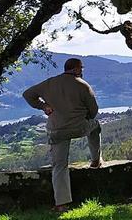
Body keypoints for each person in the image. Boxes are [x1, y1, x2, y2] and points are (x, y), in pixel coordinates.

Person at [23, 58, 103, 213]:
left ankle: (61, 204)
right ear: (77, 69)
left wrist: (43, 106)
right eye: (82, 68)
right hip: (78, 128)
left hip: (56, 130)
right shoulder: (83, 85)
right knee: (96, 126)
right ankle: (95, 160)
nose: (82, 71)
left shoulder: (49, 83)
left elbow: (27, 95)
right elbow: (93, 111)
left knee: (59, 166)